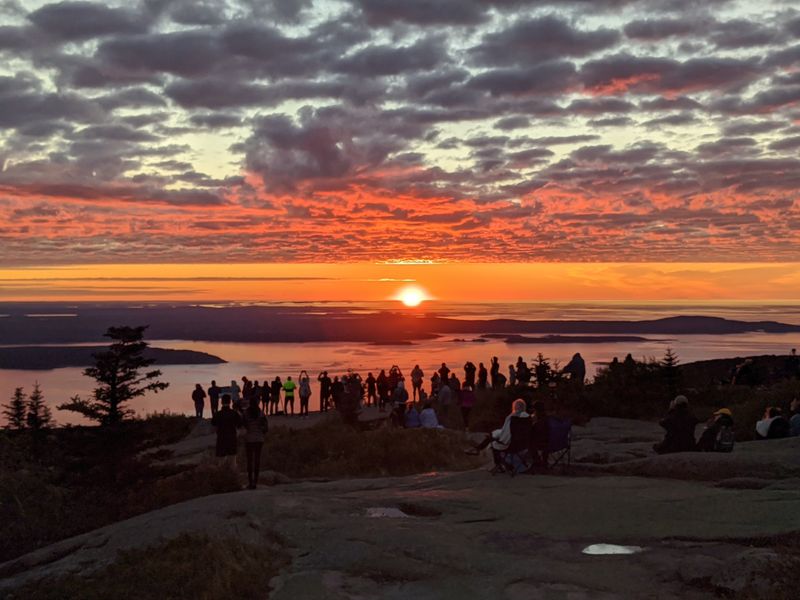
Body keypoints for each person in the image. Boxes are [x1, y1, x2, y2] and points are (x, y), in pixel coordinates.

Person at [466, 399, 529, 471]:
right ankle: (478, 449)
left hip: (510, 444)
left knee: (493, 441)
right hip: (522, 445)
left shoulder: (512, 417)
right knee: (493, 437)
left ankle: (499, 465)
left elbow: (506, 433)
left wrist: (496, 435)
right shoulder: (527, 418)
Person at [241, 400, 268, 489]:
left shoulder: (246, 414)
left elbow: (243, 425)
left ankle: (250, 482)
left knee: (249, 461)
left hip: (249, 439)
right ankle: (255, 482)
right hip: (259, 439)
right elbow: (266, 428)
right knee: (257, 460)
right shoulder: (261, 413)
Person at [212, 394, 241, 469]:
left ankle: (222, 478)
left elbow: (213, 424)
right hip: (232, 438)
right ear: (230, 402)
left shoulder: (217, 414)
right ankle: (233, 478)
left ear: (221, 402)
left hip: (221, 438)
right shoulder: (234, 413)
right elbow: (240, 424)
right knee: (233, 462)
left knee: (221, 462)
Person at [530, 400, 550, 465]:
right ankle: (544, 461)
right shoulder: (547, 419)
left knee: (529, 443)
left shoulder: (540, 420)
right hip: (549, 441)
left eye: (534, 409)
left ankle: (537, 461)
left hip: (541, 442)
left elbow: (535, 430)